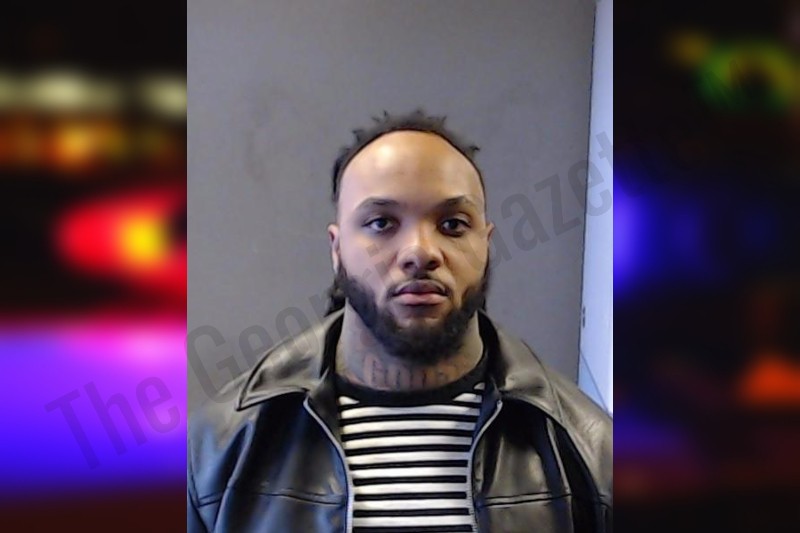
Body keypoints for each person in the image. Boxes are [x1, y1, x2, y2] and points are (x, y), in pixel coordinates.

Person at [188, 110, 612, 532]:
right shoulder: (219, 447)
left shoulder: (591, 449)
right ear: (337, 249)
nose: (420, 251)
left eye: (452, 224)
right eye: (381, 223)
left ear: (486, 244)